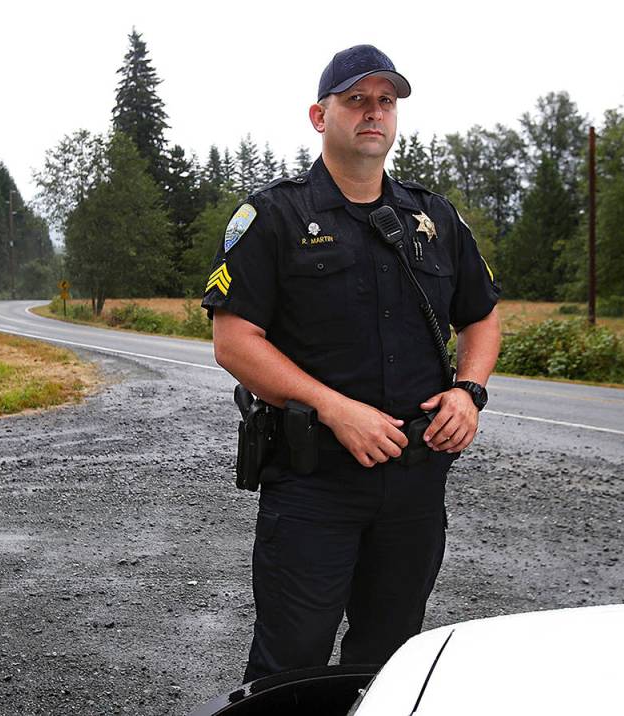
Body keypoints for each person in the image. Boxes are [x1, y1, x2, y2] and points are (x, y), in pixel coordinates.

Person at [201, 44, 502, 682]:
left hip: (416, 482)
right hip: (315, 482)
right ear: (320, 115)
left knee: (391, 660)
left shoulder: (433, 218)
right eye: (356, 99)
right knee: (292, 664)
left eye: (386, 101)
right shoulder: (274, 216)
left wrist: (468, 391)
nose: (374, 112)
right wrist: (336, 410)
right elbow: (234, 341)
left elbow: (481, 316)